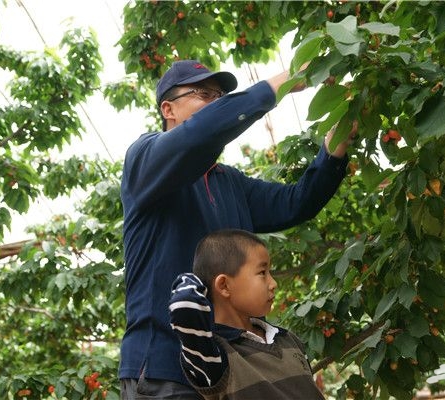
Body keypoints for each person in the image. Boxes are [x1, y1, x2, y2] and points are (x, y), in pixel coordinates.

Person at [119, 59, 354, 399]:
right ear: (167, 108)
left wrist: (338, 143)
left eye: (220, 96)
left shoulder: (229, 182)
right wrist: (283, 82)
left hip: (230, 369)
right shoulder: (144, 158)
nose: (217, 103)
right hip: (166, 372)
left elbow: (297, 202)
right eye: (204, 94)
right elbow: (199, 134)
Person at [169, 229, 325, 399]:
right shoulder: (214, 357)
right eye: (262, 273)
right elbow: (184, 305)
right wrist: (196, 280)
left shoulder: (288, 339)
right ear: (224, 286)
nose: (273, 283)